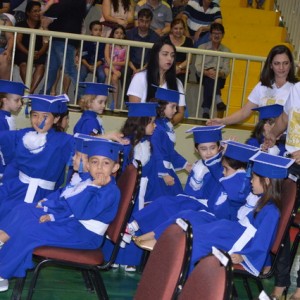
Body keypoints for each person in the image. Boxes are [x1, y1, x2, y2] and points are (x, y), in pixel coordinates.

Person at [134, 151, 294, 277]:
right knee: (193, 218)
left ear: (266, 181)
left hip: (237, 239)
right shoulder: (263, 201)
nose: (251, 181)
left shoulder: (272, 211)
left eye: (254, 178)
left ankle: (182, 283)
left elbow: (262, 241)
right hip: (233, 229)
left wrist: (243, 256)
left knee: (197, 240)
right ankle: (158, 239)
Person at [0, 137, 122, 292]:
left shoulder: (109, 191)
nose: (99, 168)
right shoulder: (91, 183)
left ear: (115, 167)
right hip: (75, 226)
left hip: (86, 235)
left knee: (30, 232)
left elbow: (80, 211)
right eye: (94, 162)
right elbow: (72, 207)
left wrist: (93, 186)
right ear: (89, 165)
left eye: (106, 163)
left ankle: (2, 274)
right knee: (29, 224)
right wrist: (53, 216)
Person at [126, 139, 259, 237]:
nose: (208, 153)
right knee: (166, 201)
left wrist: (227, 154)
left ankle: (152, 236)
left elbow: (233, 191)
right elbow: (192, 192)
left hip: (216, 217)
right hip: (204, 207)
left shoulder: (241, 182)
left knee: (183, 214)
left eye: (213, 148)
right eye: (203, 148)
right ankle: (135, 226)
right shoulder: (210, 170)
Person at [102, 102, 158, 272]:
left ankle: (131, 259)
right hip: (123, 193)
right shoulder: (125, 145)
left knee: (136, 222)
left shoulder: (148, 144)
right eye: (152, 122)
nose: (155, 125)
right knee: (121, 220)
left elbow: (151, 173)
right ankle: (114, 257)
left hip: (142, 191)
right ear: (141, 123)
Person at [0, 94, 74, 219]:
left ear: (56, 119)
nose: (39, 120)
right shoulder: (23, 134)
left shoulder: (62, 140)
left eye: (45, 116)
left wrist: (107, 137)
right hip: (17, 189)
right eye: (35, 115)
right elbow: (3, 137)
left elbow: (82, 143)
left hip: (43, 195)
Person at [263, 82, 300, 300]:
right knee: (281, 219)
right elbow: (285, 119)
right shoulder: (296, 89)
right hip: (291, 165)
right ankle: (281, 280)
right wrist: (272, 135)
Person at [208, 44, 298, 126]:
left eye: (285, 63)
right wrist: (223, 121)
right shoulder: (261, 86)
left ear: (290, 64)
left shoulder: (297, 88)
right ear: (270, 65)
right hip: (262, 138)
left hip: (286, 140)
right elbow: (244, 112)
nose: (281, 67)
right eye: (277, 63)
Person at [127, 38, 186, 125]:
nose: (170, 58)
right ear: (155, 55)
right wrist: (152, 125)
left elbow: (180, 113)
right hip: (142, 129)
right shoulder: (140, 78)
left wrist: (165, 125)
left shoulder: (177, 83)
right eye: (165, 54)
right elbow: (134, 109)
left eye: (172, 55)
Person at [149, 86, 192, 197]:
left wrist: (185, 164)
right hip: (158, 172)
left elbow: (169, 151)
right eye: (172, 107)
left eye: (176, 107)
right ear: (162, 106)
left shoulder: (165, 125)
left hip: (165, 170)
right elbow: (155, 152)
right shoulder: (156, 127)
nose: (175, 110)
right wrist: (163, 173)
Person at [40, 0, 86, 96]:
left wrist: (48, 7)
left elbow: (48, 16)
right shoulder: (79, 3)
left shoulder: (67, 3)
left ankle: (84, 96)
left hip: (62, 37)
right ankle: (43, 94)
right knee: (52, 68)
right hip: (61, 37)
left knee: (69, 69)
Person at [195, 23, 230, 118]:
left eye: (219, 33)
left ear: (223, 35)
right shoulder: (202, 47)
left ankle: (206, 111)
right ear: (210, 35)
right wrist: (207, 72)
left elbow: (226, 70)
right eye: (214, 33)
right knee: (210, 79)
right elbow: (198, 66)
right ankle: (218, 100)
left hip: (219, 77)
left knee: (212, 79)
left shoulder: (226, 50)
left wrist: (218, 73)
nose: (216, 35)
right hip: (203, 74)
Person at [15, 1, 48, 94]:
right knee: (23, 64)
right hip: (23, 52)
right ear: (28, 13)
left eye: (39, 11)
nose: (38, 13)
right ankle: (29, 90)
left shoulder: (42, 25)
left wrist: (40, 53)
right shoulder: (21, 24)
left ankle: (30, 92)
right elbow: (18, 42)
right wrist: (28, 53)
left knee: (41, 66)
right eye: (35, 11)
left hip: (38, 53)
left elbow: (46, 43)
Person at [126, 8, 159, 85]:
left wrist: (142, 69)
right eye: (141, 20)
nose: (144, 24)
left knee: (153, 72)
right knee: (125, 71)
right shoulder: (129, 34)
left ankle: (148, 97)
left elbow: (153, 57)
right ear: (137, 20)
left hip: (147, 65)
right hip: (131, 64)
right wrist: (134, 69)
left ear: (151, 22)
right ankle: (126, 97)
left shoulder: (155, 37)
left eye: (147, 21)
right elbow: (126, 55)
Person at [77, 20, 106, 99]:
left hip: (98, 64)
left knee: (102, 75)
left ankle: (97, 97)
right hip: (86, 63)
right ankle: (80, 97)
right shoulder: (86, 40)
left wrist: (96, 65)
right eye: (95, 30)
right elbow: (83, 56)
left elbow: (102, 57)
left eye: (100, 30)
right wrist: (88, 65)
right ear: (91, 31)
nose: (98, 32)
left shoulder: (103, 42)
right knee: (81, 75)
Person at [104, 25, 127, 110]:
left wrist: (116, 64)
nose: (119, 35)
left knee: (114, 79)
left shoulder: (125, 46)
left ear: (124, 35)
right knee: (109, 77)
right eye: (116, 33)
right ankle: (104, 102)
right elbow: (107, 58)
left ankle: (115, 104)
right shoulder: (109, 43)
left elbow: (125, 61)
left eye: (121, 33)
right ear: (113, 34)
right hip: (108, 66)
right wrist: (113, 68)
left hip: (119, 68)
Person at [168, 18, 194, 84]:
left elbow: (189, 60)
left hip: (181, 70)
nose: (178, 31)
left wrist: (179, 67)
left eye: (181, 28)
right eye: (175, 28)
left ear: (184, 29)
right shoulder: (165, 39)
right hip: (167, 68)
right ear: (171, 29)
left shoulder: (189, 41)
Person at [0, 13, 14, 80]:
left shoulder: (5, 20)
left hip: (1, 49)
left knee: (5, 57)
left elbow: (10, 38)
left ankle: (4, 88)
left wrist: (8, 51)